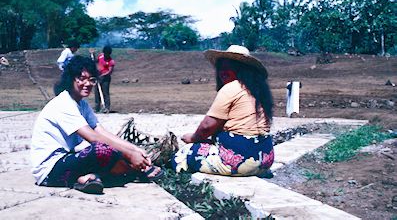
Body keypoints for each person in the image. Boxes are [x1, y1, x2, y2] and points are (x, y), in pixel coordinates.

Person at [31, 55, 163, 194]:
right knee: (102, 150)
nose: (87, 84)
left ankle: (88, 178)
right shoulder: (63, 103)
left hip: (68, 160)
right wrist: (129, 155)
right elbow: (93, 137)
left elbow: (101, 131)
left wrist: (134, 149)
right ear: (71, 79)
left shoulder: (81, 103)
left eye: (91, 80)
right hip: (50, 171)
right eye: (81, 79)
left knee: (111, 149)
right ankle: (135, 172)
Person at [172, 45, 274, 177]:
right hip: (265, 159)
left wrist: (193, 138)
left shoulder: (231, 87)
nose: (223, 72)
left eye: (230, 68)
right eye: (221, 68)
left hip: (242, 161)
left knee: (183, 155)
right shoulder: (258, 90)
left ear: (241, 70)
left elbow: (207, 127)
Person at [95, 45, 115, 113]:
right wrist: (93, 55)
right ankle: (97, 108)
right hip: (98, 77)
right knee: (97, 93)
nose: (106, 55)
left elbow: (110, 71)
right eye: (105, 53)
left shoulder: (111, 61)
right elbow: (95, 61)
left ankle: (107, 108)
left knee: (105, 93)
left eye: (107, 54)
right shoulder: (100, 56)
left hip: (105, 79)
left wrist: (102, 75)